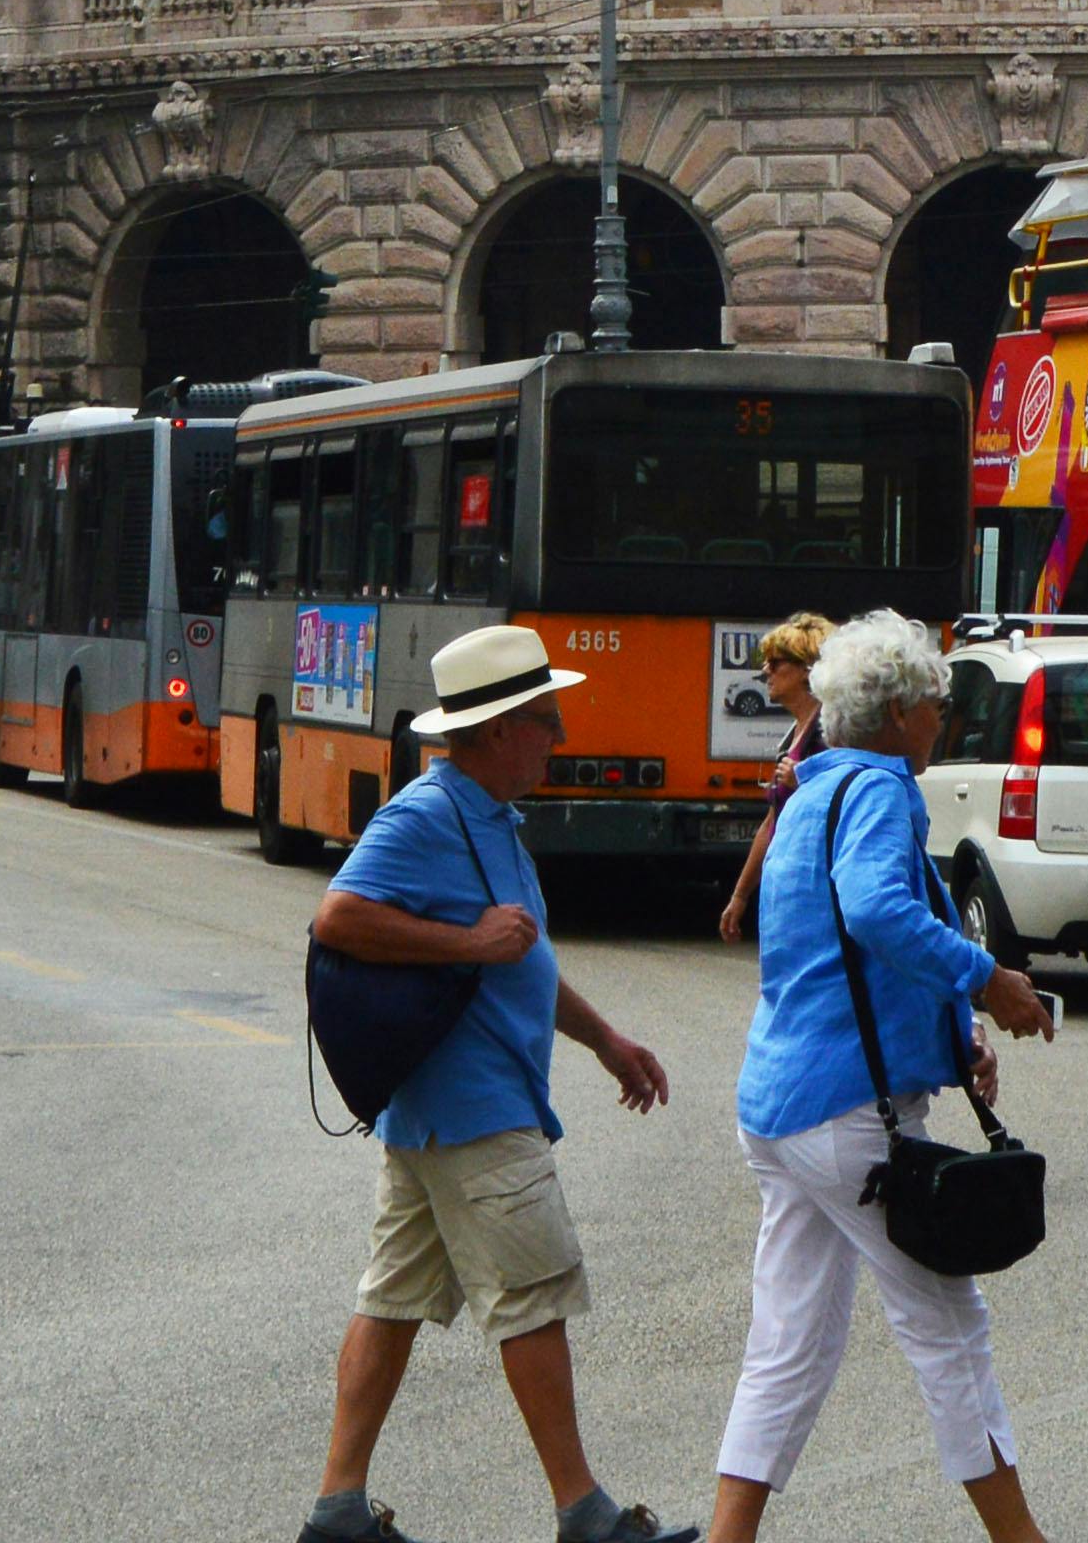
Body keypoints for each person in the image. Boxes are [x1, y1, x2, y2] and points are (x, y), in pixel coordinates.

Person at [299, 622, 686, 1543]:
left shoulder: (492, 820)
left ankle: (338, 1511)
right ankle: (583, 1514)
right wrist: (466, 942)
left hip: (442, 1113)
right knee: (535, 1296)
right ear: (500, 726)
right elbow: (338, 917)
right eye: (545, 718)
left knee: (390, 1302)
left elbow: (526, 962)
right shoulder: (426, 817)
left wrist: (603, 1040)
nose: (558, 734)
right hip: (473, 1110)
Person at [709, 612, 1058, 1543]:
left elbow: (831, 958)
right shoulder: (877, 790)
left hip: (782, 1104)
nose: (943, 714)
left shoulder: (813, 793)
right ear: (898, 710)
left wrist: (955, 1036)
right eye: (936, 700)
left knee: (787, 1349)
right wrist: (992, 984)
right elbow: (873, 912)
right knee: (951, 1332)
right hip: (845, 1113)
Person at [709, 613, 834, 946]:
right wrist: (740, 895)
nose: (765, 671)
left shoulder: (830, 735)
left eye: (775, 663)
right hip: (786, 896)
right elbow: (771, 822)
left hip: (814, 897)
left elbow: (842, 808)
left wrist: (804, 785)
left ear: (808, 669)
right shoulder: (797, 731)